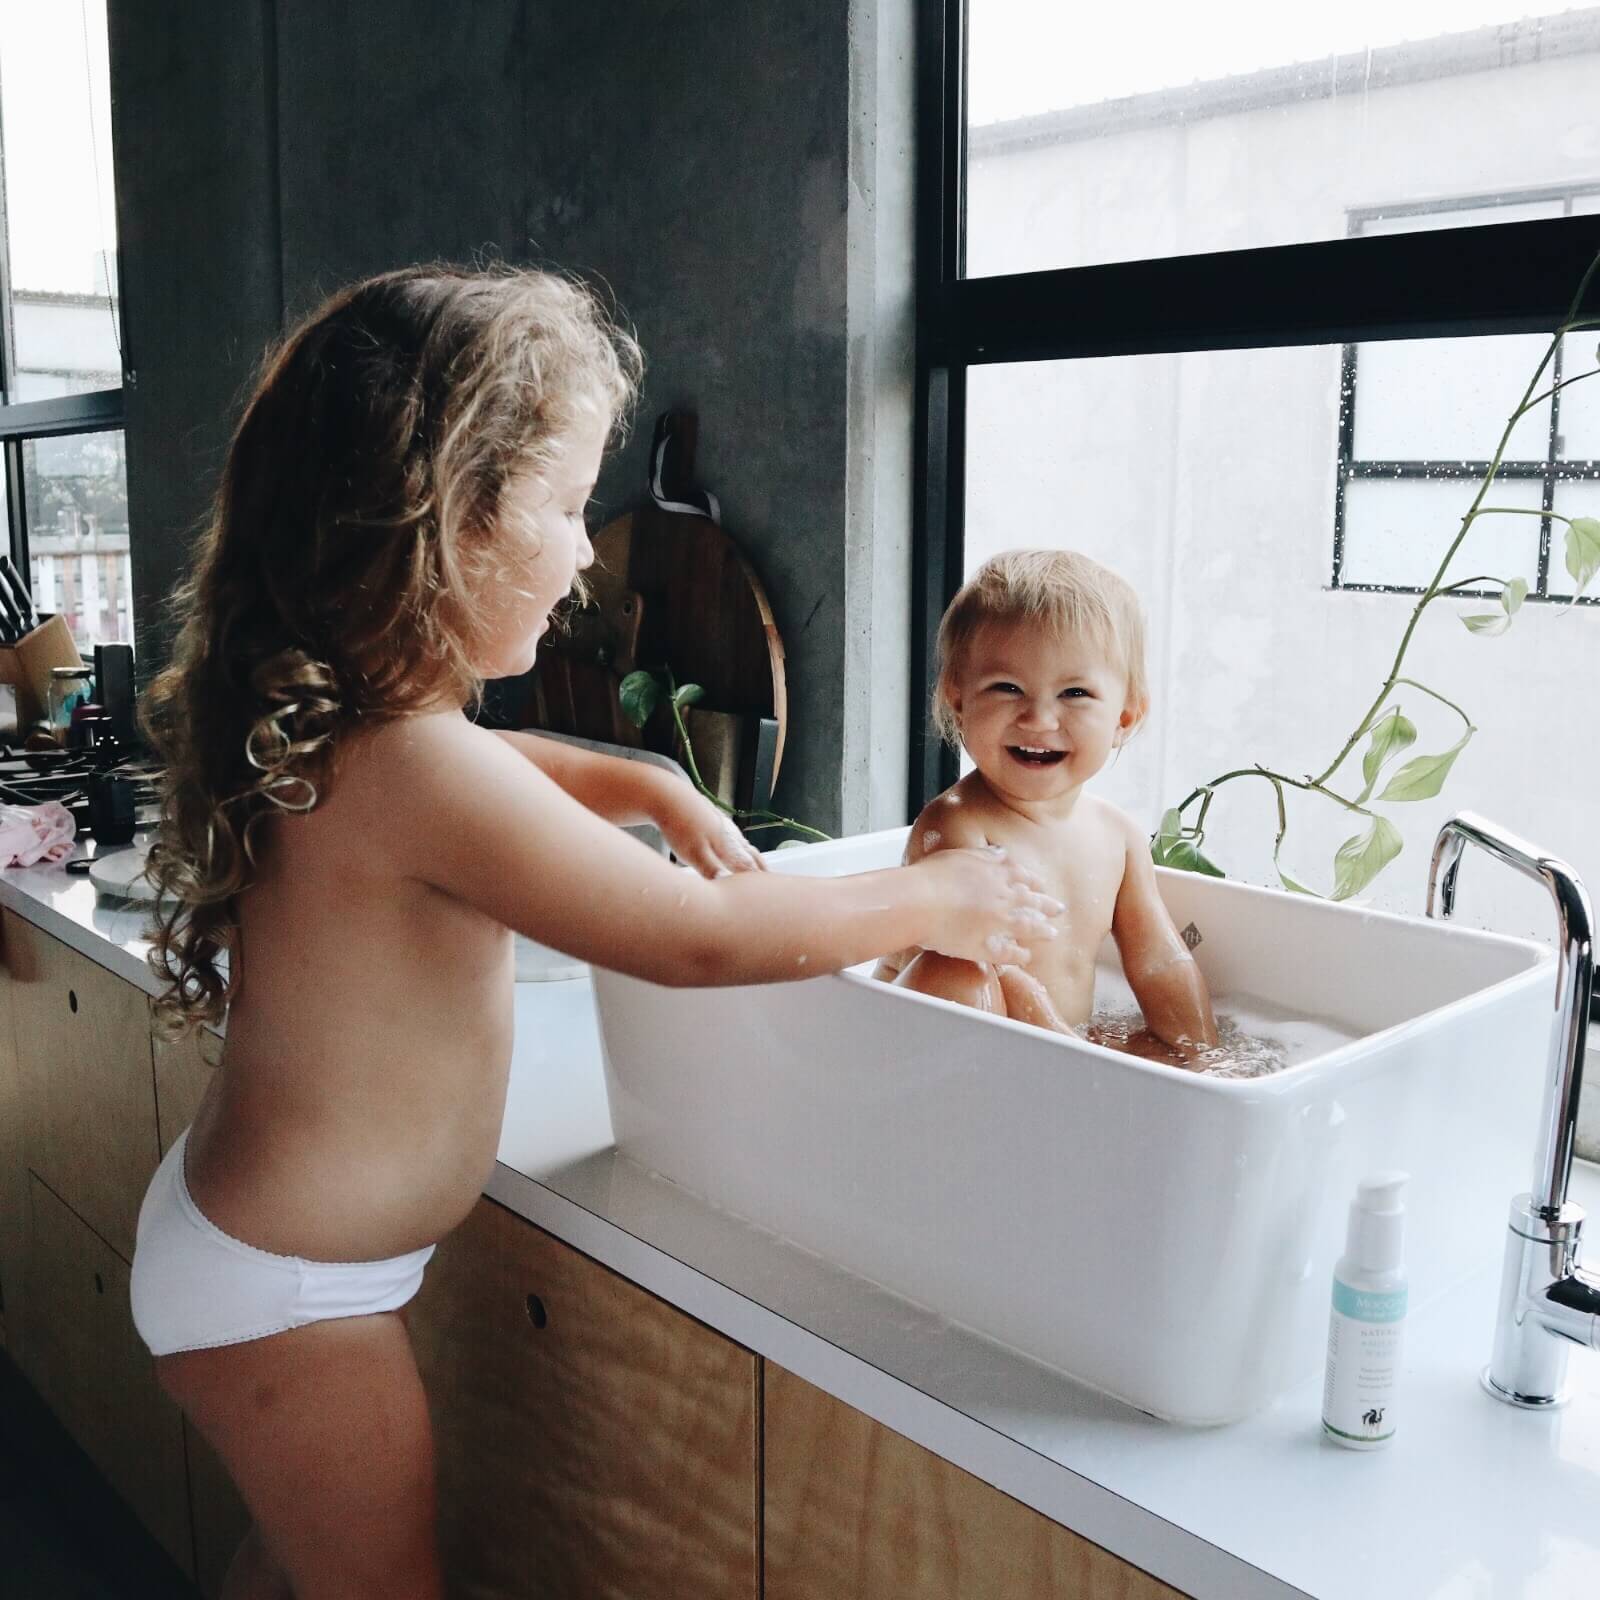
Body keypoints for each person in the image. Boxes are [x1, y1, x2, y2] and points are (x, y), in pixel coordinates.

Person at [127, 265, 1062, 1600]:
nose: (583, 553)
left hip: (255, 1258)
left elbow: (490, 776)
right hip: (291, 1298)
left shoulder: (365, 729)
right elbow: (694, 936)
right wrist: (934, 899)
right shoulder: (413, 763)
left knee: (291, 1567)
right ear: (445, 520)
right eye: (563, 508)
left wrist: (647, 781)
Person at [876, 548, 1218, 1064]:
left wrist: (1199, 1056)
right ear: (958, 700)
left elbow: (1159, 961)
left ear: (1124, 717)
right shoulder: (957, 827)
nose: (1038, 719)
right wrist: (1080, 1059)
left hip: (1045, 1056)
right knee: (960, 973)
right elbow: (999, 972)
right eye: (1007, 688)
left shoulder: (1117, 837)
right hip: (920, 1052)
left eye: (1075, 693)